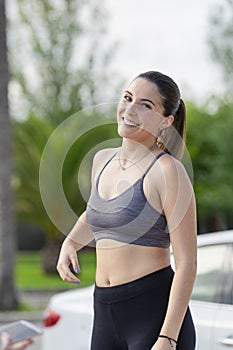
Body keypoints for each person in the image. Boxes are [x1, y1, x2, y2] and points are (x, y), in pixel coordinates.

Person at [57, 71, 197, 350]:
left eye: (146, 105)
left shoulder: (168, 172)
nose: (130, 109)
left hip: (153, 315)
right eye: (128, 98)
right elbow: (97, 213)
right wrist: (71, 241)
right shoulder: (102, 160)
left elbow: (187, 264)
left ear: (166, 121)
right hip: (105, 310)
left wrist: (168, 337)